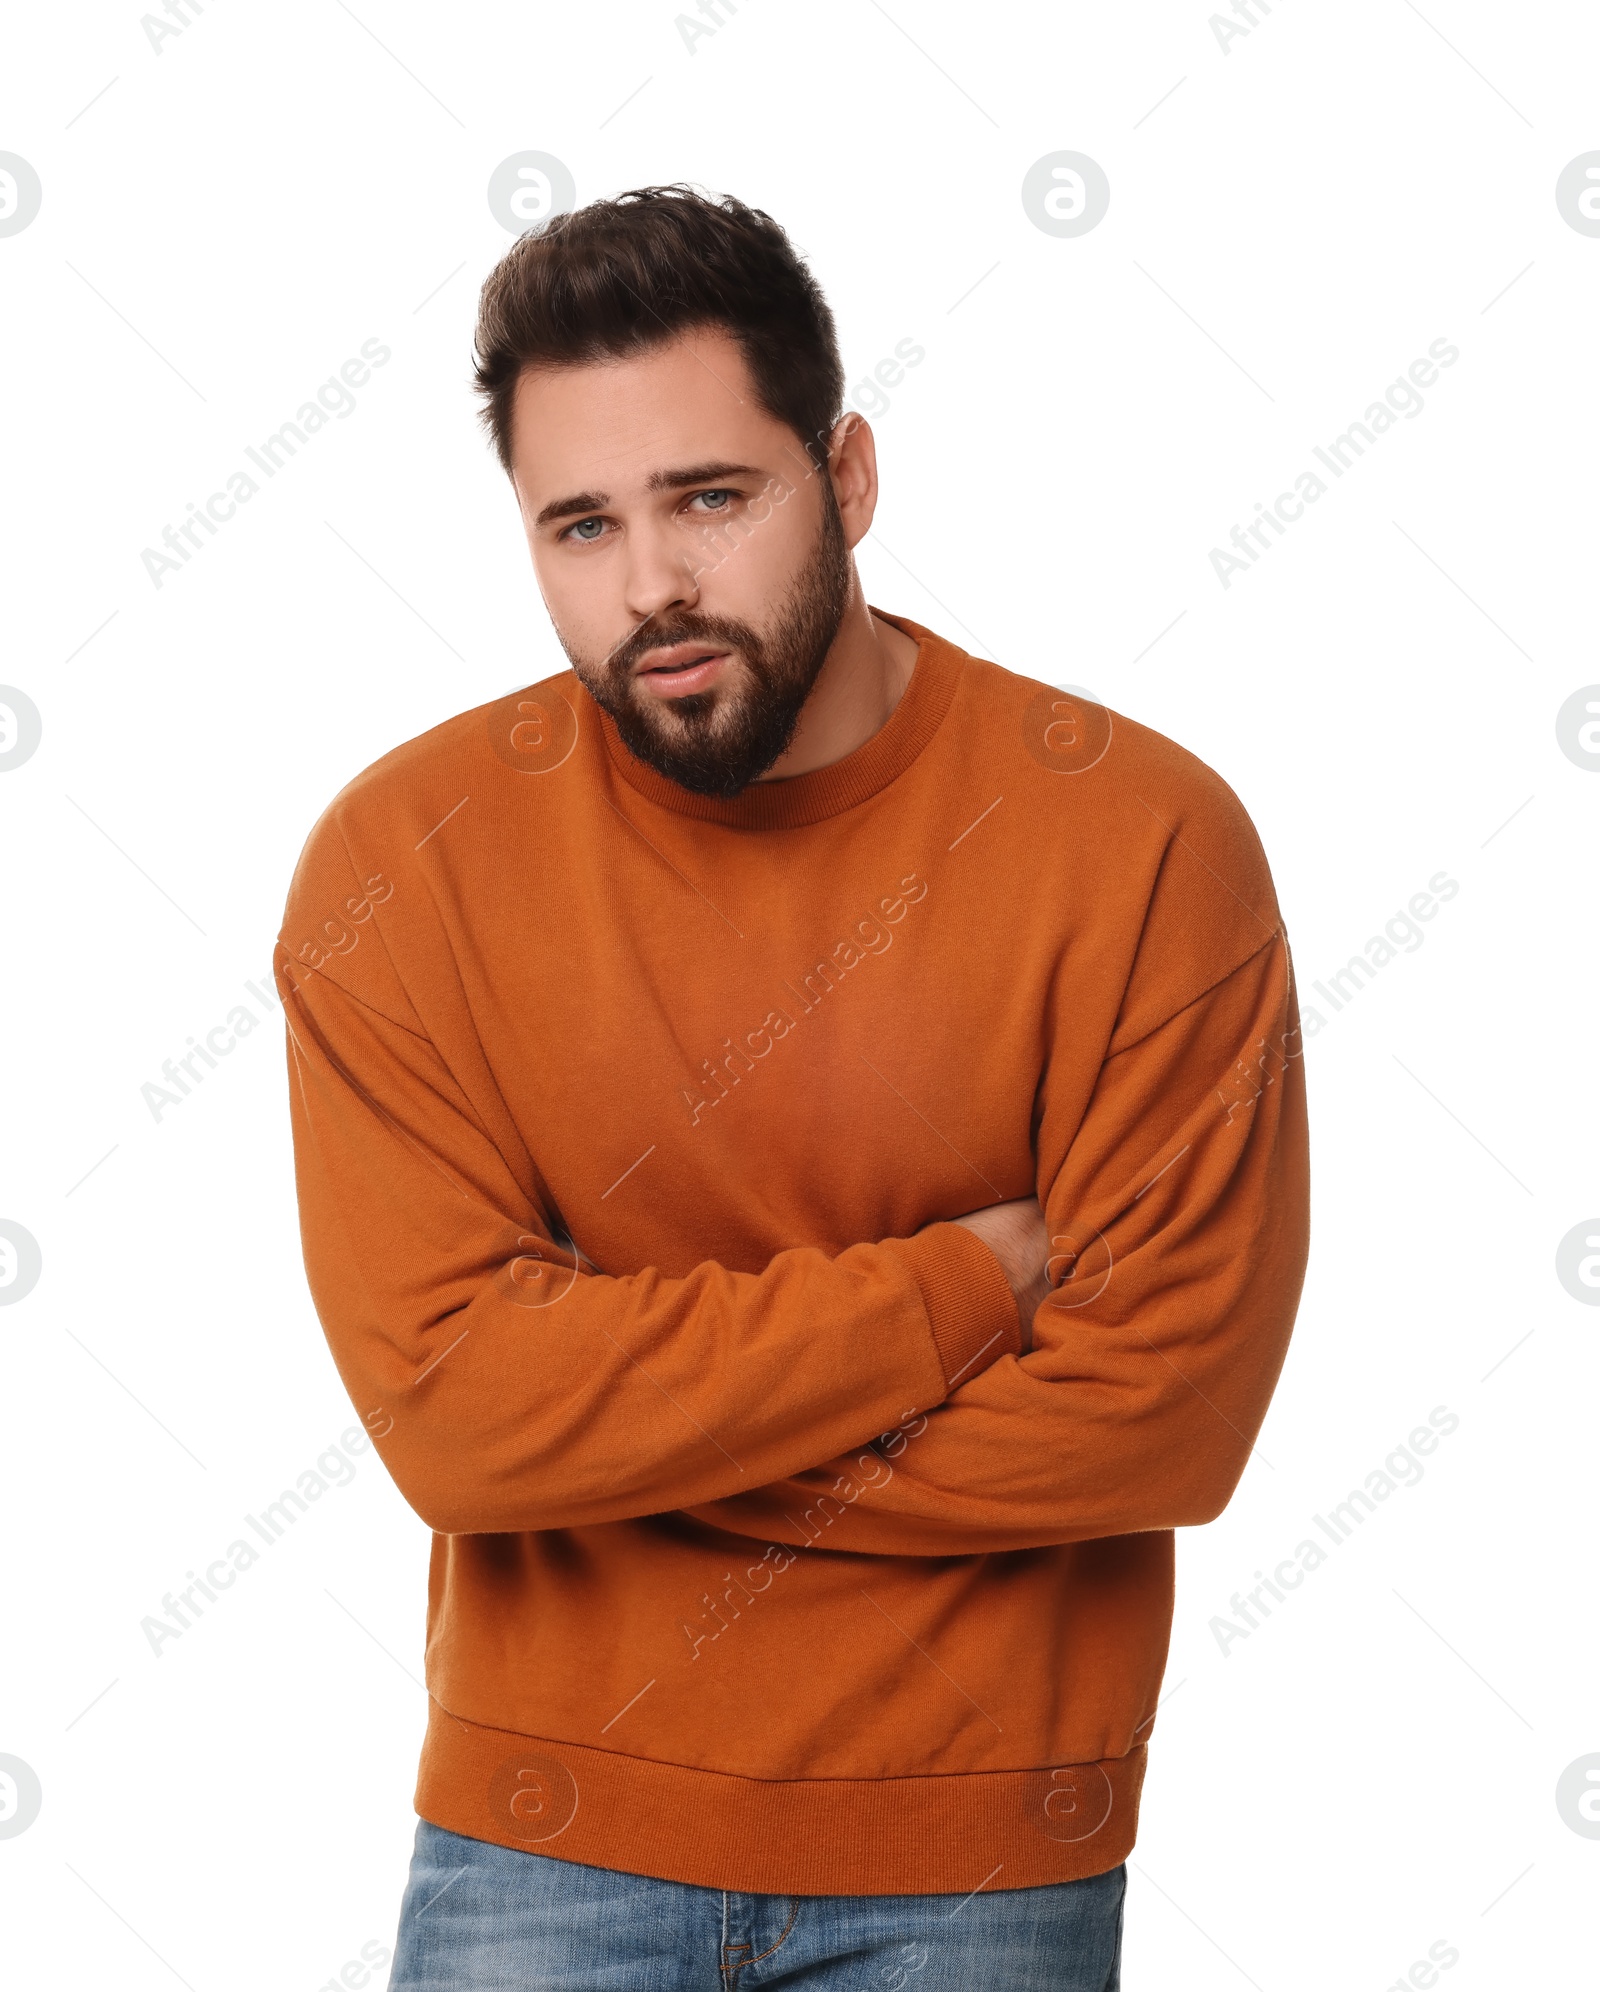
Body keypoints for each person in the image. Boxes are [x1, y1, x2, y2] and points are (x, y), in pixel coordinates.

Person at [276, 182, 1310, 1991]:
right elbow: (454, 1419)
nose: (651, 583)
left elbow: (1166, 1415)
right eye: (579, 525)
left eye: (711, 499)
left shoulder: (1137, 839)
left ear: (848, 478)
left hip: (978, 1862)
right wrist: (969, 1285)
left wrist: (594, 1433)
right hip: (542, 1845)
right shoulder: (402, 862)